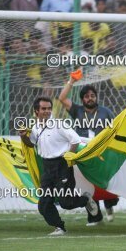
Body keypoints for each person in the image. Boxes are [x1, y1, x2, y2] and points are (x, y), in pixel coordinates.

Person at [19, 97, 99, 236]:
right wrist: (23, 137)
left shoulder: (59, 124)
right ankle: (59, 227)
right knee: (43, 203)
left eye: (49, 108)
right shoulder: (35, 127)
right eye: (43, 108)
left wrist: (69, 156)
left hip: (62, 166)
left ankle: (85, 199)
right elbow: (31, 144)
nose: (47, 111)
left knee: (66, 203)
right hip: (47, 167)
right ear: (36, 111)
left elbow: (75, 140)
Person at [58, 70, 119, 225]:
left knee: (107, 181)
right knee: (86, 183)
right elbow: (62, 98)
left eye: (92, 96)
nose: (90, 98)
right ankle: (95, 216)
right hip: (83, 153)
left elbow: (115, 131)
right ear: (82, 99)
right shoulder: (77, 110)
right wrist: (71, 81)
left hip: (102, 153)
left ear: (96, 97)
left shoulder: (106, 112)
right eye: (86, 96)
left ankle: (109, 204)